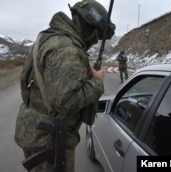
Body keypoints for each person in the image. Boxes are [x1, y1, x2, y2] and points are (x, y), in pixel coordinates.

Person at [14, 0, 115, 171]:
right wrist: (97, 82)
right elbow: (66, 102)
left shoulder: (48, 37)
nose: (96, 41)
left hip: (36, 131)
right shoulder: (67, 48)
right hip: (49, 139)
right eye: (97, 36)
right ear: (90, 28)